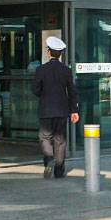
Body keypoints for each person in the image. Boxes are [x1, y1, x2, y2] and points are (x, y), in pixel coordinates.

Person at [33, 36, 79, 179]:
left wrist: (44, 95)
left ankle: (49, 158)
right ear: (60, 54)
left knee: (44, 137)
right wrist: (74, 110)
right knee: (60, 139)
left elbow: (36, 90)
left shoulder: (41, 70)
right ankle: (59, 171)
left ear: (49, 53)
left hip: (46, 109)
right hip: (62, 109)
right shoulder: (66, 70)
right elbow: (72, 91)